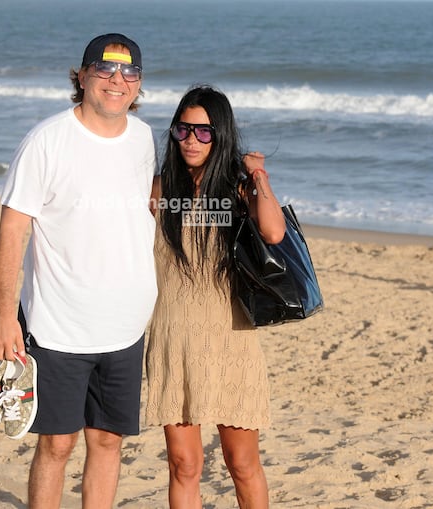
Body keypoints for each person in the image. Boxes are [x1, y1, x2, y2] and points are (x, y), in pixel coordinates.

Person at [0, 33, 158, 508]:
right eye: (104, 70)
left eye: (129, 73)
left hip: (125, 329)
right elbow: (11, 232)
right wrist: (4, 317)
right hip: (57, 327)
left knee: (107, 442)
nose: (117, 81)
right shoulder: (47, 140)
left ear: (139, 84)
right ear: (81, 76)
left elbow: (142, 210)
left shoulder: (144, 138)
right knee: (57, 445)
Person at [146, 84, 286, 509]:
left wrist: (258, 176)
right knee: (183, 465)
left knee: (241, 464)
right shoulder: (158, 191)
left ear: (220, 136)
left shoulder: (238, 193)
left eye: (204, 132)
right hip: (173, 339)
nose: (191, 140)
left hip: (230, 338)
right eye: (183, 130)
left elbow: (274, 232)